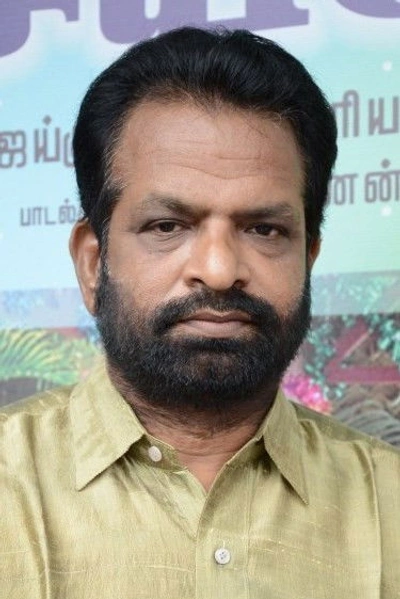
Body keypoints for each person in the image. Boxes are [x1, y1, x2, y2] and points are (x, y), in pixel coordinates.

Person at [1, 27, 399, 598]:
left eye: (264, 230)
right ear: (93, 262)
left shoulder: (389, 504)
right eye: (167, 226)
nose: (217, 270)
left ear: (308, 258)